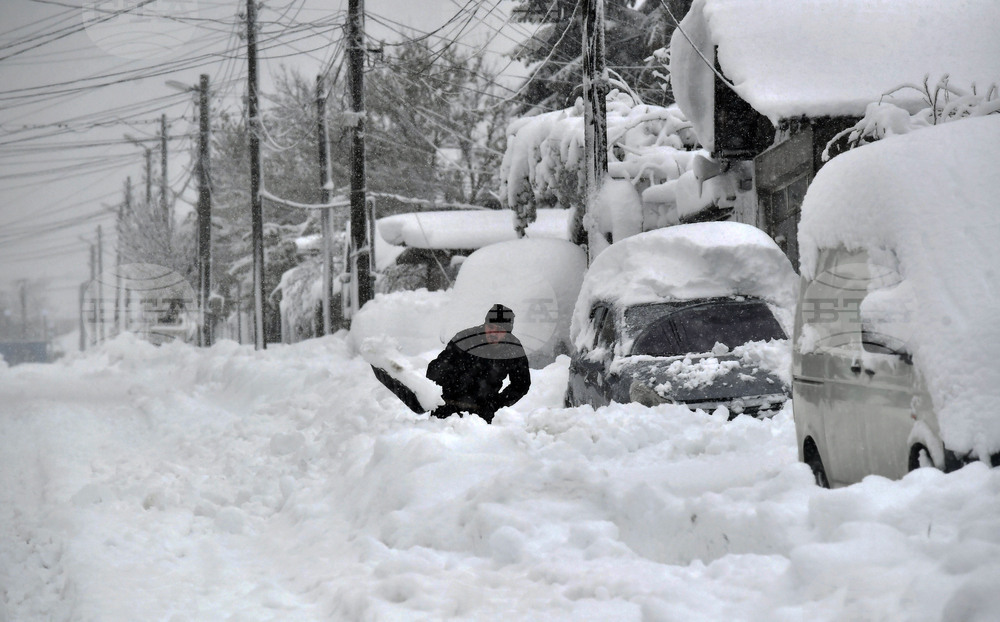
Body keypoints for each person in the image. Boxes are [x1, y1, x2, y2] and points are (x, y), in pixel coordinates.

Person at [425, 303, 531, 423]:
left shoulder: (513, 349)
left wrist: (496, 403)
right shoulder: (464, 339)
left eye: (500, 330)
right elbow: (434, 370)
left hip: (482, 411)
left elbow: (521, 384)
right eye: (491, 328)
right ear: (485, 325)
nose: (493, 334)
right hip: (448, 405)